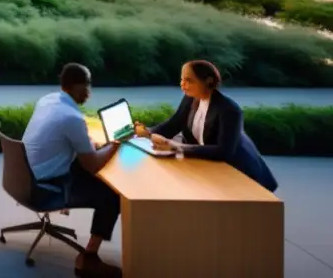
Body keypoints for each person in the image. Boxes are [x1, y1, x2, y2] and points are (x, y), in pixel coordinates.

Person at [22, 63, 122, 277]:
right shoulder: (72, 118)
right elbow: (93, 166)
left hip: (25, 176)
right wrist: (115, 144)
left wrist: (87, 144)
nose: (89, 91)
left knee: (90, 164)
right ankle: (88, 260)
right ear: (76, 87)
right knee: (112, 193)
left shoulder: (48, 100)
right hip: (46, 187)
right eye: (87, 85)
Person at [134, 60, 277, 191]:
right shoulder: (190, 98)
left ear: (208, 81)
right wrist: (147, 133)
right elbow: (173, 124)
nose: (182, 84)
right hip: (216, 170)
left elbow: (224, 152)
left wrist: (176, 147)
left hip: (243, 173)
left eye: (189, 80)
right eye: (182, 79)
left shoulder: (229, 110)